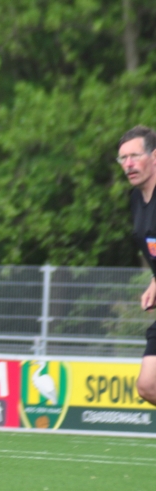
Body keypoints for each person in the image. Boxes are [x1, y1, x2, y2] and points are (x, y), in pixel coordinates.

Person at [118, 125, 156, 407]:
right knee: (148, 386)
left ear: (154, 157)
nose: (128, 164)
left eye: (135, 156)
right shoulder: (135, 200)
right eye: (123, 158)